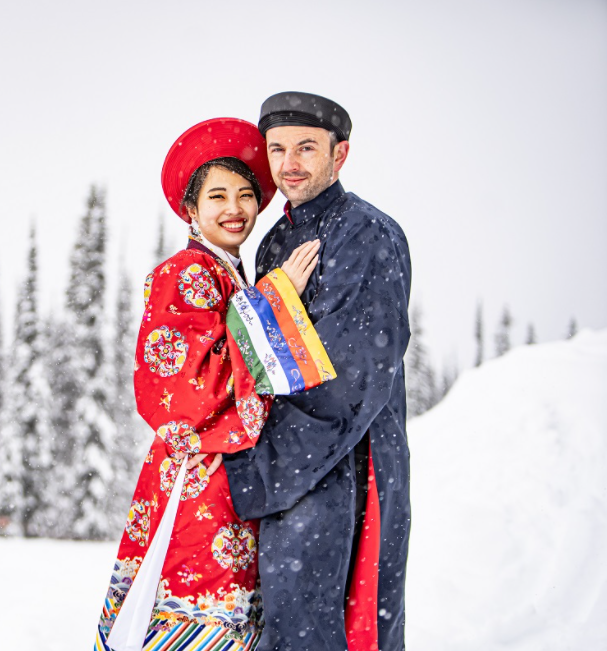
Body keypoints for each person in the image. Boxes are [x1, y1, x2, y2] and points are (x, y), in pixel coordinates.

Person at [94, 118, 322, 651]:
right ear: (191, 210)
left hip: (224, 468)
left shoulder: (228, 274)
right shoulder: (187, 272)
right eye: (217, 196)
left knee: (225, 609)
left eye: (245, 194)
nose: (234, 208)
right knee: (195, 609)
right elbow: (180, 385)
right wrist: (276, 300)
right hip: (198, 472)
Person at [222, 92, 412, 651]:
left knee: (336, 619)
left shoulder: (368, 233)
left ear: (340, 153)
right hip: (293, 458)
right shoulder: (276, 240)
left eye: (306, 147)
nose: (289, 163)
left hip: (348, 455)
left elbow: (355, 368)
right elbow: (265, 352)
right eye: (277, 149)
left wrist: (263, 462)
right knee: (286, 616)